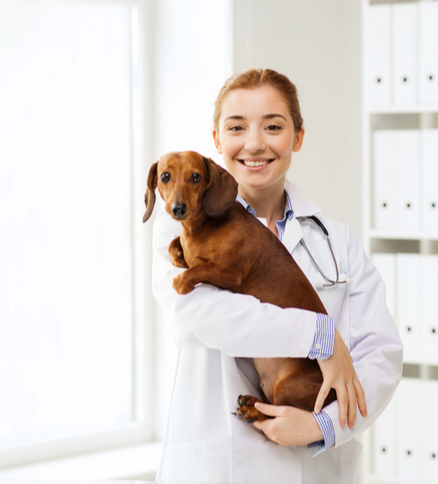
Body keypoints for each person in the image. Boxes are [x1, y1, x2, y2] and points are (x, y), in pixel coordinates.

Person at [151, 68, 403, 484]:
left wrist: (325, 426)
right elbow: (200, 317)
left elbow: (382, 355)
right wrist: (320, 335)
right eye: (236, 127)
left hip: (316, 466)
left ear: (297, 138)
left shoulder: (336, 242)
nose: (254, 143)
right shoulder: (179, 227)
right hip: (221, 466)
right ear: (217, 140)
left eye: (273, 126)